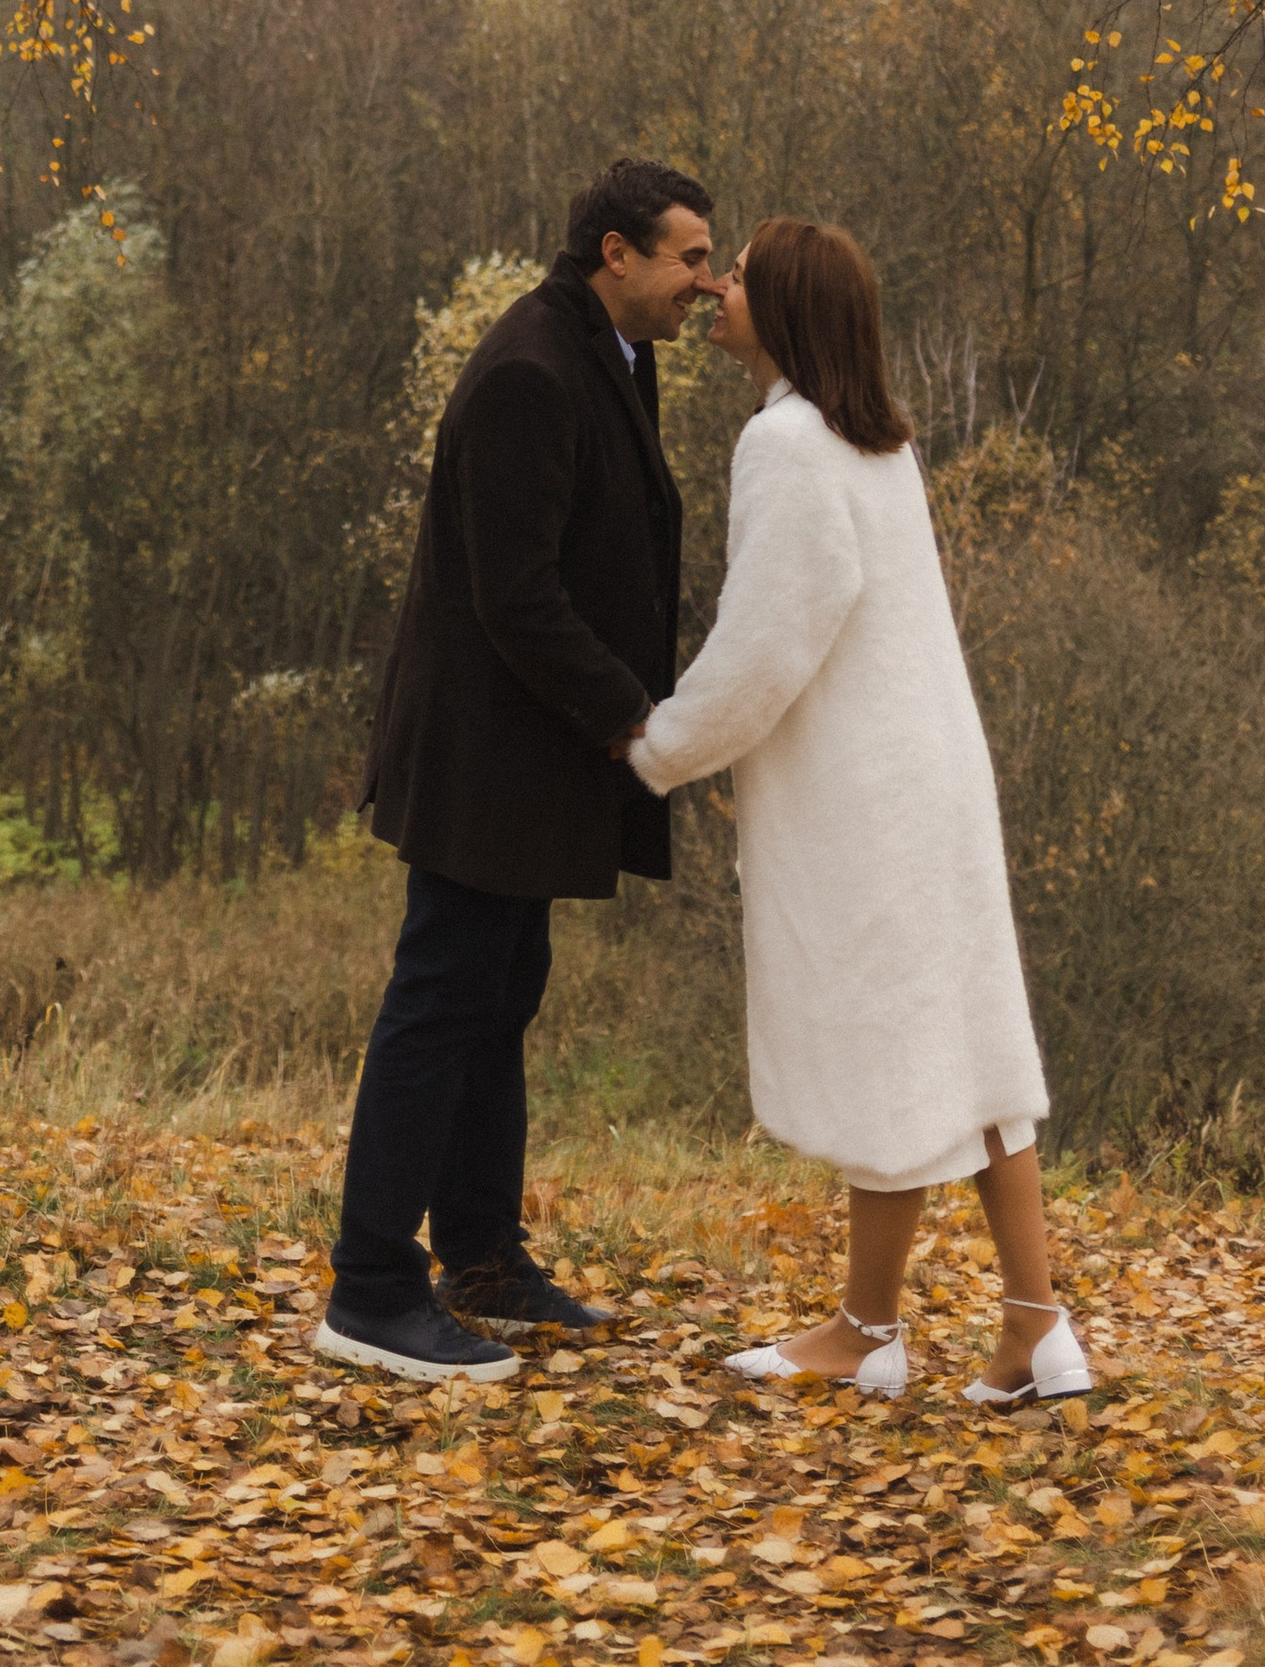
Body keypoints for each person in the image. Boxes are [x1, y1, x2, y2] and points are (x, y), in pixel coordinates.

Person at [627, 213, 1087, 1405]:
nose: (715, 290)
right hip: (934, 782)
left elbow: (769, 644)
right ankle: (1030, 1324)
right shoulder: (875, 445)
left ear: (783, 310)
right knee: (972, 1043)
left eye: (737, 278)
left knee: (892, 1043)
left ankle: (869, 1331)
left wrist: (656, 746)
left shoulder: (785, 447)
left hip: (862, 802)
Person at [313, 156, 718, 1385]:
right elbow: (516, 593)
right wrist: (631, 723)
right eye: (689, 258)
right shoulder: (530, 373)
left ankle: (480, 1255)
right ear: (616, 253)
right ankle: (370, 1286)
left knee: (500, 993)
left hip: (524, 762)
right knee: (442, 1001)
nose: (705, 281)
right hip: (483, 759)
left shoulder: (608, 355)